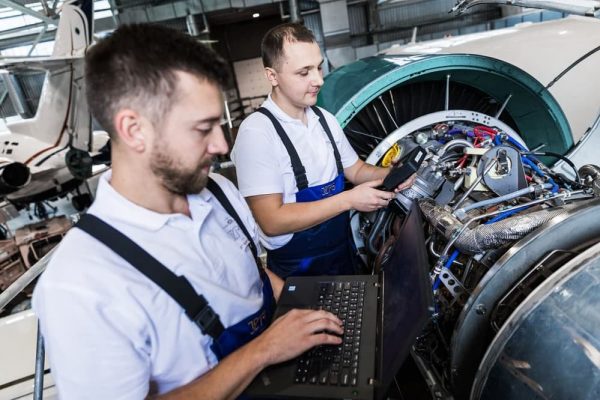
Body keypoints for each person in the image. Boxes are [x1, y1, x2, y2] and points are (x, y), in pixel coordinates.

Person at [32, 24, 345, 399]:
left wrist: (309, 310)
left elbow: (253, 275)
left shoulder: (220, 193)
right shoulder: (83, 284)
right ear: (134, 130)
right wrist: (264, 350)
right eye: (203, 129)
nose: (221, 144)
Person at [231, 23, 414, 279]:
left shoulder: (323, 119)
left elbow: (357, 170)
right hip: (299, 271)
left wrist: (393, 174)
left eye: (318, 67)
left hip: (342, 253)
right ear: (272, 76)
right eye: (304, 72)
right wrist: (349, 200)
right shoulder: (257, 133)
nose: (318, 80)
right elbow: (271, 221)